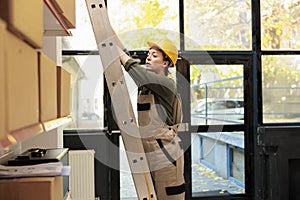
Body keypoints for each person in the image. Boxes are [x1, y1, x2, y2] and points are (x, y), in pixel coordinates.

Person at [114, 32, 186, 200]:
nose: (148, 58)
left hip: (165, 152)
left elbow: (130, 65)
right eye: (148, 55)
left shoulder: (165, 84)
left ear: (165, 63)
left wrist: (111, 47)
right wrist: (109, 32)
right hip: (150, 150)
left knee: (169, 195)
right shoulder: (147, 86)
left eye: (154, 56)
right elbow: (126, 55)